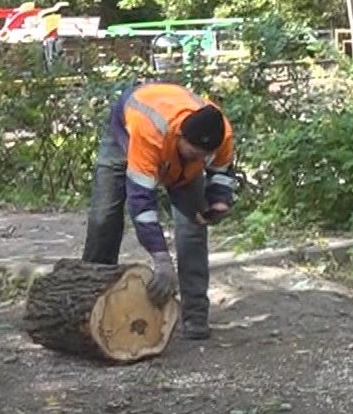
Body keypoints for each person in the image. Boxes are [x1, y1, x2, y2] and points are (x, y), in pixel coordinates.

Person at [82, 81, 237, 340]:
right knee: (104, 218)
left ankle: (195, 315)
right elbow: (141, 204)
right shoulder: (149, 131)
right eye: (194, 153)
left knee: (193, 227)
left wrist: (219, 201)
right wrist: (162, 260)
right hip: (128, 133)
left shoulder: (222, 135)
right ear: (180, 137)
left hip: (177, 162)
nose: (200, 160)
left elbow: (221, 172)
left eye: (204, 157)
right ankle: (88, 303)